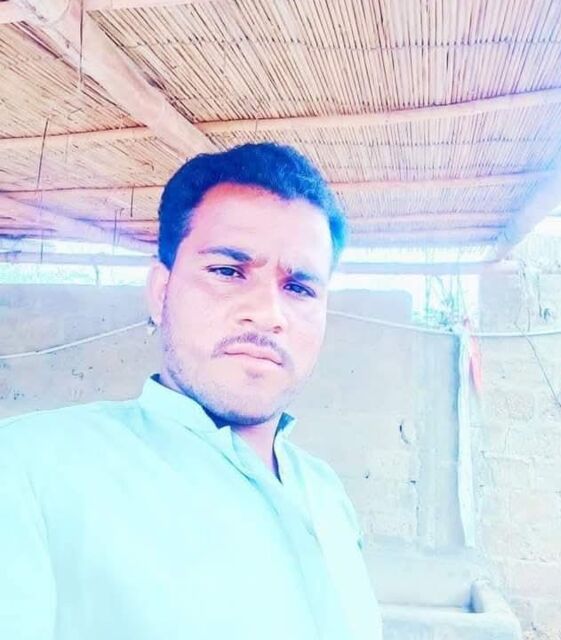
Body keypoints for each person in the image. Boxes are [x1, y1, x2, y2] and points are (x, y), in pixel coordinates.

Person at [0, 143, 382, 640]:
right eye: (227, 271)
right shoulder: (28, 470)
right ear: (160, 292)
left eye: (299, 288)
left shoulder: (326, 492)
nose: (268, 314)